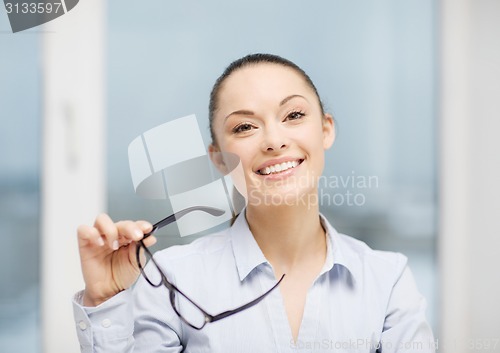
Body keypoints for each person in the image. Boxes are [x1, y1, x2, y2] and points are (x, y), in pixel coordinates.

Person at [73, 53, 435, 352]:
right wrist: (106, 300)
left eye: (293, 115)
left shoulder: (387, 280)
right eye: (245, 127)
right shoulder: (171, 278)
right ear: (218, 158)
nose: (274, 141)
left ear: (325, 130)